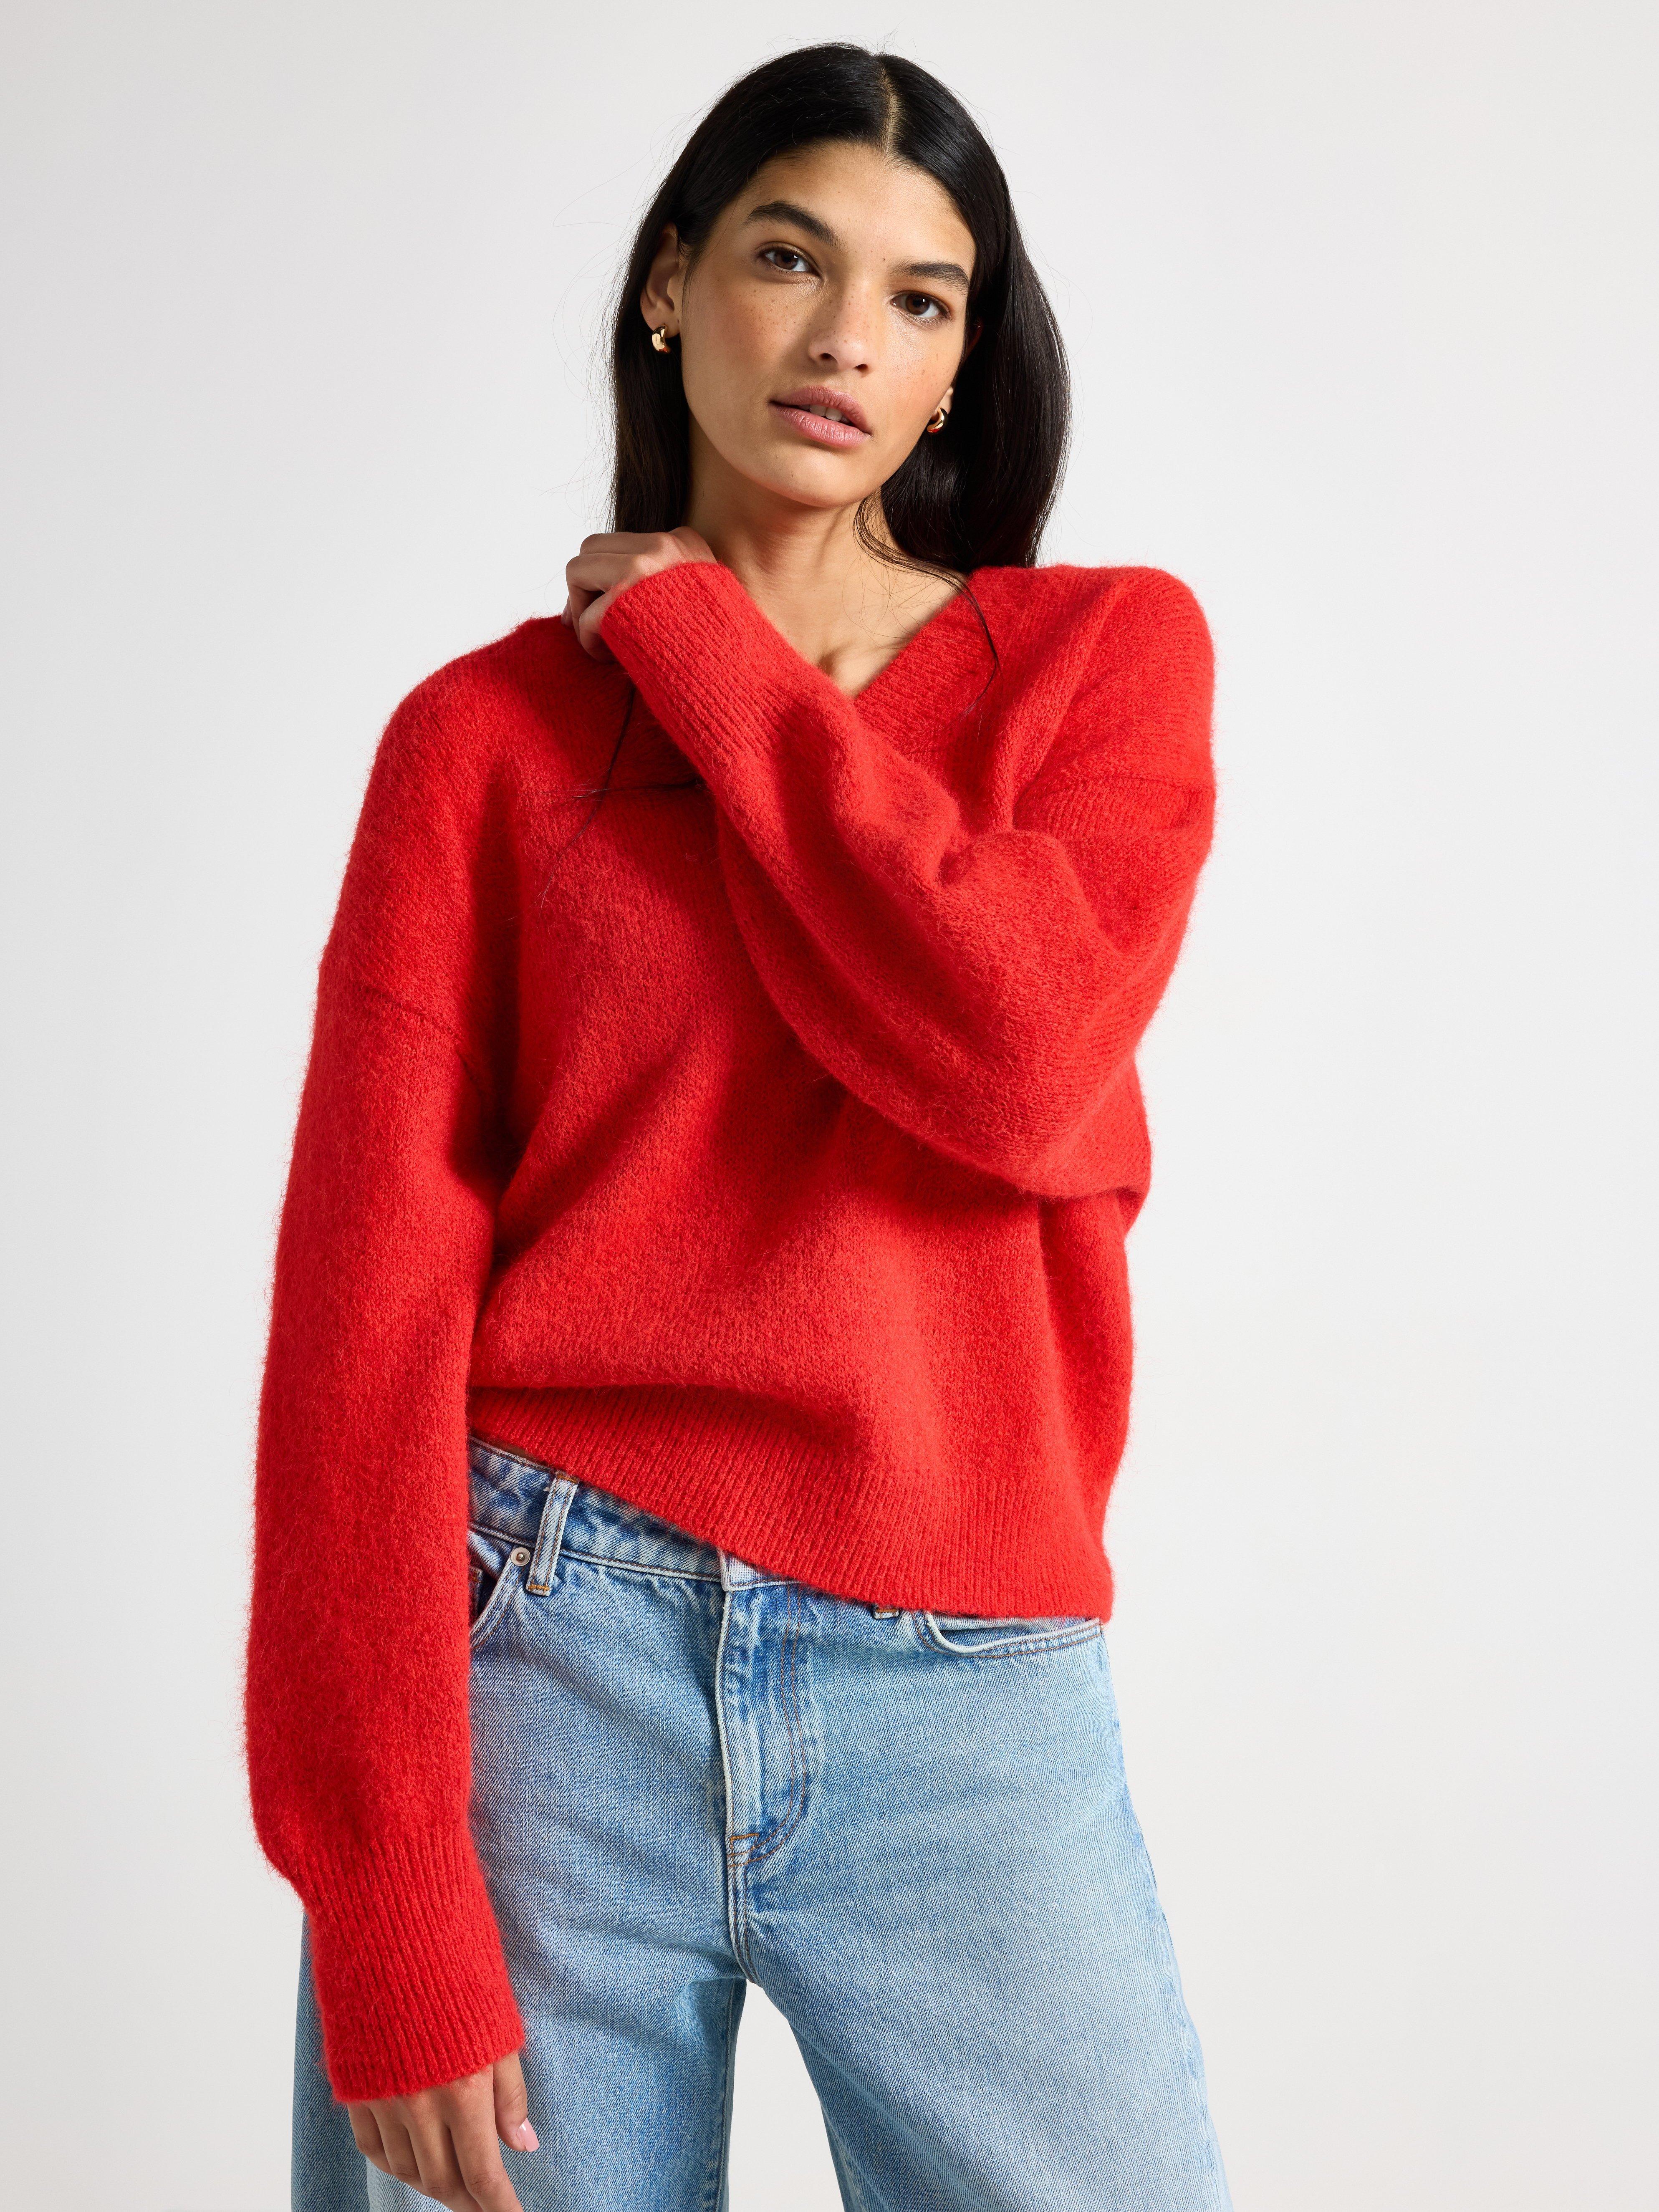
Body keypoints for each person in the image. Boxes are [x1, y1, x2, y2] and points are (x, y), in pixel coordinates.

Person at [248, 40, 1232, 2212]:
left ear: (961, 366)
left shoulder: (1100, 662)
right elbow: (362, 1319)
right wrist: (383, 1888)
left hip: (964, 1676)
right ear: (672, 283)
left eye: (919, 296)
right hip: (544, 1653)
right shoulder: (484, 745)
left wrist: (701, 646)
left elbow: (1016, 1052)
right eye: (790, 259)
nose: (844, 337)